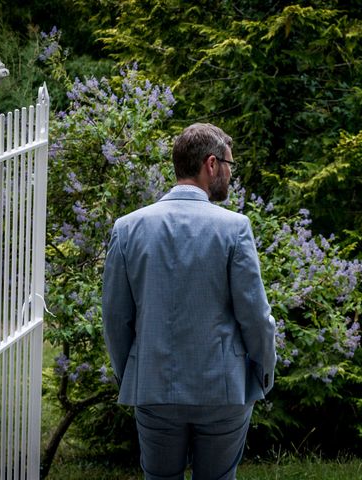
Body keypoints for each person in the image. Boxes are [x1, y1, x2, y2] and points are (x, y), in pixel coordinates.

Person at [102, 123, 277, 480]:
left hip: (153, 388)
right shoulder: (234, 228)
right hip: (224, 391)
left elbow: (115, 317)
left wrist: (132, 374)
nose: (230, 174)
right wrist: (262, 372)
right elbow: (255, 316)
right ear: (210, 164)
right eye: (229, 164)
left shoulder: (128, 227)